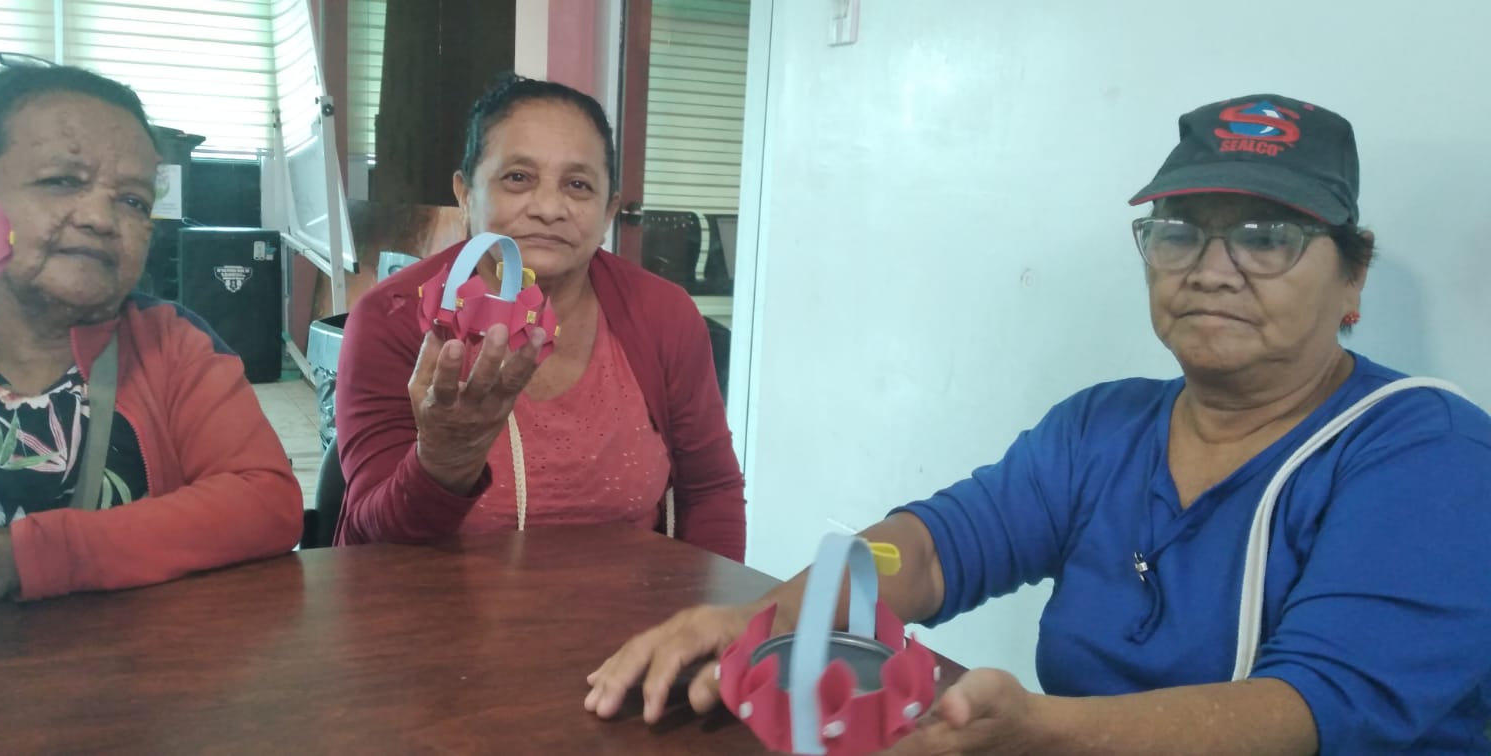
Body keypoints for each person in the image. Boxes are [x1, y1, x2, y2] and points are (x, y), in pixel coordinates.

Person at [585, 94, 1491, 753]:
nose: (1213, 269)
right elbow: (928, 547)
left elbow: (1315, 711)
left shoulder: (1428, 454)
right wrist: (773, 613)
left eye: (1266, 237)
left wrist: (1043, 734)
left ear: (1353, 278)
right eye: (1180, 231)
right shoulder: (1104, 428)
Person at [0, 63, 303, 610]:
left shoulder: (172, 343)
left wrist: (27, 556)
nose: (102, 219)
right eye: (62, 181)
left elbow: (266, 504)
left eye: (133, 201)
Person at [334, 74, 745, 561]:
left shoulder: (663, 315)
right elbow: (370, 543)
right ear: (466, 194)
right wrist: (444, 462)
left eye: (578, 185)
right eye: (518, 178)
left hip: (627, 608)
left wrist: (717, 608)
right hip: (433, 608)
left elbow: (712, 490)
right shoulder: (392, 318)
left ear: (608, 211)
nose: (549, 209)